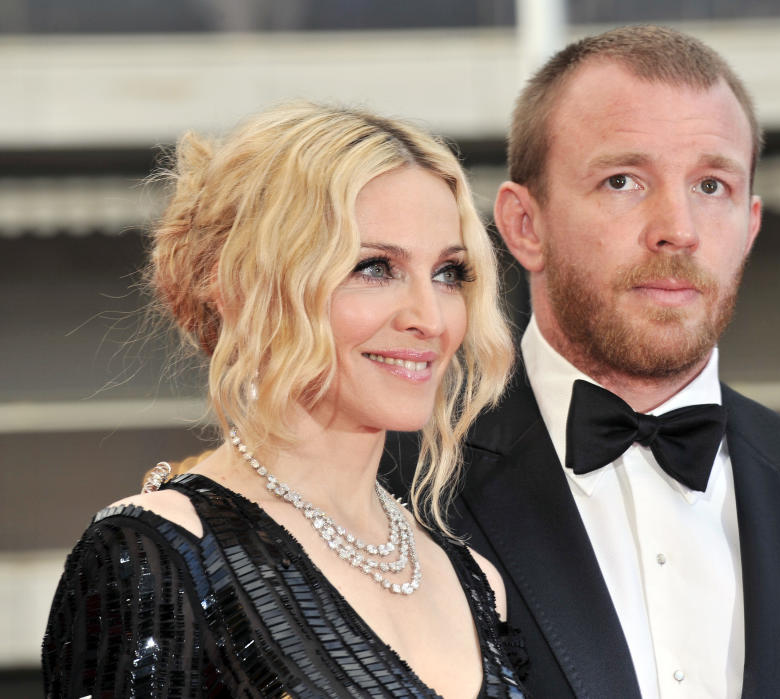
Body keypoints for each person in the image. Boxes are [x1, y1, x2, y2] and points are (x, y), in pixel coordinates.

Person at [382, 25, 780, 698]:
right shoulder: (398, 485)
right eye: (623, 180)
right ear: (523, 225)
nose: (678, 228)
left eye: (711, 185)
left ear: (750, 226)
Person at [42, 102, 527, 698]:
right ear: (246, 287)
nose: (430, 319)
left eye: (449, 274)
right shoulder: (152, 559)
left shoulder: (475, 582)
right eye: (375, 268)